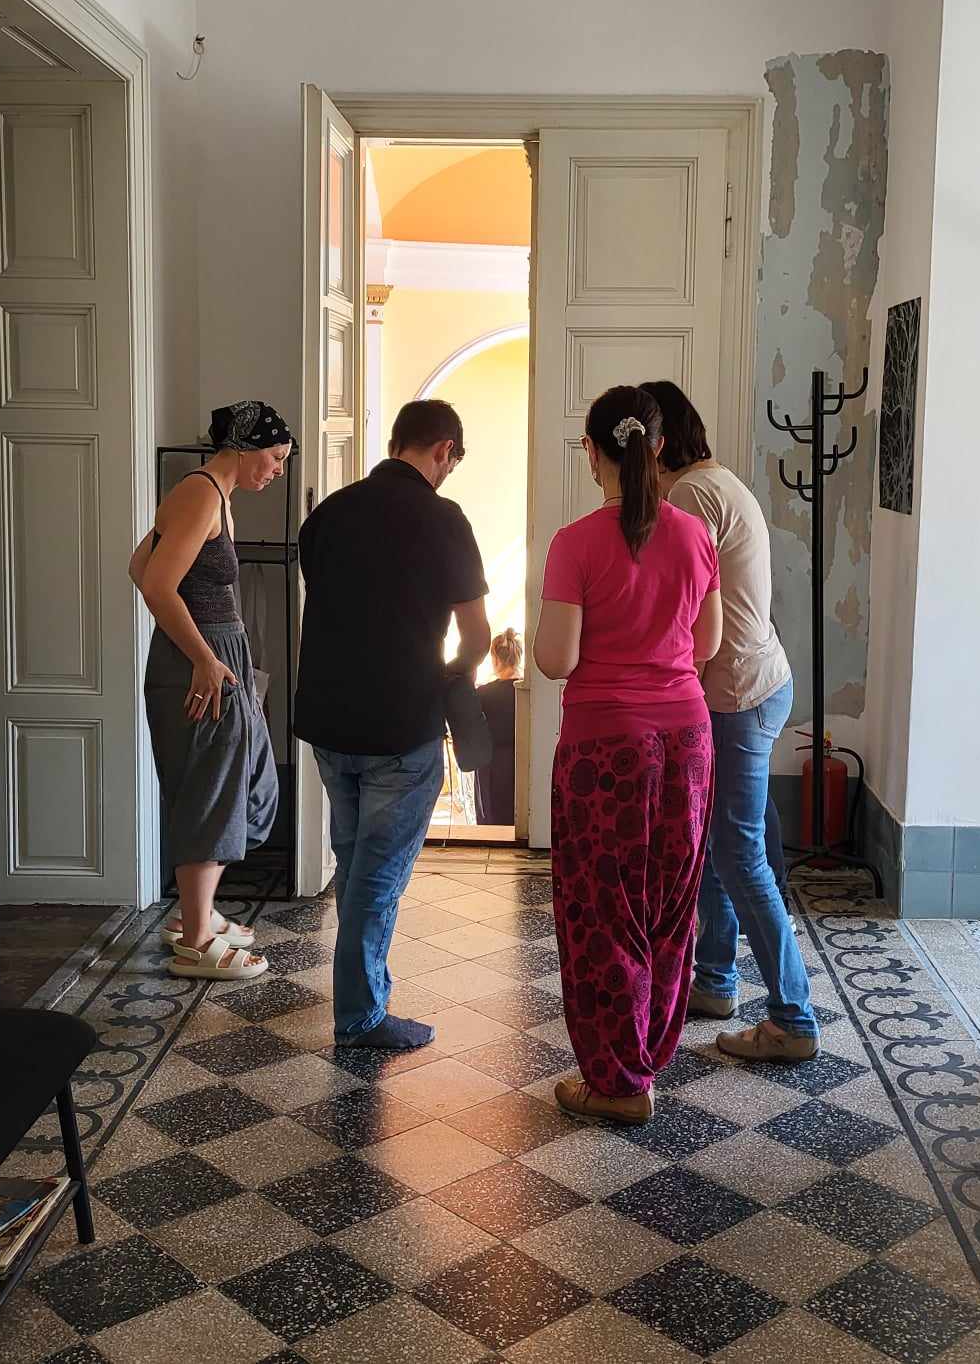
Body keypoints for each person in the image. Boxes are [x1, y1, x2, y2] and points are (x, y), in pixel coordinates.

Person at [535, 385, 722, 1125]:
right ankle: (646, 1059)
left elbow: (557, 658)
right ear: (657, 447)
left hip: (604, 745)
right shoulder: (694, 535)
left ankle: (616, 1081)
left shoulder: (575, 543)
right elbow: (706, 645)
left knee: (601, 910)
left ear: (592, 451)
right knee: (670, 906)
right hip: (687, 740)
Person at [296, 400, 491, 1049]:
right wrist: (452, 675)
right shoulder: (443, 518)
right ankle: (359, 1015)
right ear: (443, 450)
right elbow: (476, 635)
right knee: (378, 876)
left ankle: (362, 996)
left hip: (329, 718)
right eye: (453, 461)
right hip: (400, 723)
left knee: (356, 863)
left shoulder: (328, 513)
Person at [642, 379, 820, 1062]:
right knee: (722, 844)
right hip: (755, 683)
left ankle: (793, 1019)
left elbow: (684, 613)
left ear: (655, 444)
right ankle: (715, 980)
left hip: (738, 695)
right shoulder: (715, 482)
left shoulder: (690, 496)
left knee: (740, 854)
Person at [131, 401, 292, 980]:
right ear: (245, 447)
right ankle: (197, 940)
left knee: (246, 780)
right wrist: (201, 655)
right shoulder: (200, 494)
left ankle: (194, 913)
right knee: (211, 789)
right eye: (275, 456)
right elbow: (155, 584)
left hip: (218, 653)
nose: (278, 470)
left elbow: (139, 565)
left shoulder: (214, 496)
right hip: (200, 662)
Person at [469, 630, 523, 826]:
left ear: (495, 659)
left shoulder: (483, 694)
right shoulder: (528, 693)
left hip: (491, 766)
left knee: (492, 823)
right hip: (522, 762)